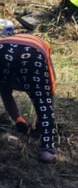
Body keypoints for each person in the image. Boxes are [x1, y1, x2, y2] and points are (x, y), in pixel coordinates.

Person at [0, 34, 58, 163]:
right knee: (43, 99)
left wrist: (18, 120)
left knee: (3, 88)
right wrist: (40, 122)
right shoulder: (43, 51)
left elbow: (5, 93)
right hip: (33, 54)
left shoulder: (9, 40)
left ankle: (20, 120)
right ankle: (47, 149)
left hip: (2, 50)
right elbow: (50, 90)